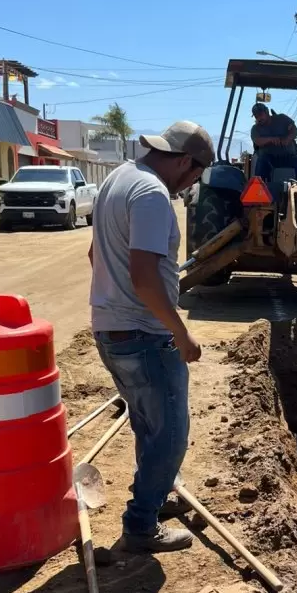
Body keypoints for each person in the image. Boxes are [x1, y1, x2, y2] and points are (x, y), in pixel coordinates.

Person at [88, 120, 214, 552]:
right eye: (195, 173)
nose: (193, 182)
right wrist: (181, 333)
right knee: (172, 434)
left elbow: (95, 255)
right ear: (183, 161)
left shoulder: (118, 179)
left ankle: (156, 495)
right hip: (144, 335)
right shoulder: (153, 195)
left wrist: (113, 302)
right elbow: (144, 276)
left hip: (112, 330)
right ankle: (141, 526)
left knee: (149, 425)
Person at [250, 103, 297, 182]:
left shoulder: (282, 119)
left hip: (288, 156)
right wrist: (270, 139)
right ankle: (258, 189)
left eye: (260, 114)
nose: (259, 118)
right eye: (256, 116)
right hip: (269, 159)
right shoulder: (255, 129)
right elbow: (258, 141)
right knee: (261, 163)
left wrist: (287, 139)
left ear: (267, 111)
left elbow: (295, 130)